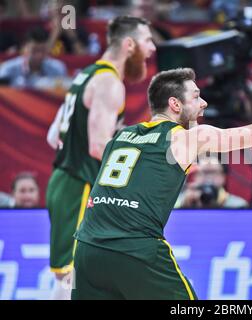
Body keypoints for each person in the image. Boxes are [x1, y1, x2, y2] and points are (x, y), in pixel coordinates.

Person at [72, 67, 252, 300]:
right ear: (175, 104)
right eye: (196, 97)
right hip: (134, 250)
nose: (204, 103)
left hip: (87, 249)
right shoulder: (183, 137)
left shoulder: (120, 137)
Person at [45, 15, 156, 300]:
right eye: (147, 41)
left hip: (67, 180)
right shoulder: (109, 83)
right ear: (130, 45)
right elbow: (98, 147)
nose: (153, 48)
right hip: (80, 185)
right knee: (72, 276)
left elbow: (52, 134)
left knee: (74, 274)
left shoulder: (85, 75)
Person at [0, 26, 67, 88]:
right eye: (34, 50)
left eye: (43, 50)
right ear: (25, 48)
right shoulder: (8, 69)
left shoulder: (57, 68)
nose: (39, 55)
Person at [175, 156, 248, 208]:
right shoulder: (185, 200)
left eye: (213, 172)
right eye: (204, 172)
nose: (209, 177)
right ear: (196, 177)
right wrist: (184, 206)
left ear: (223, 177)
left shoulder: (238, 205)